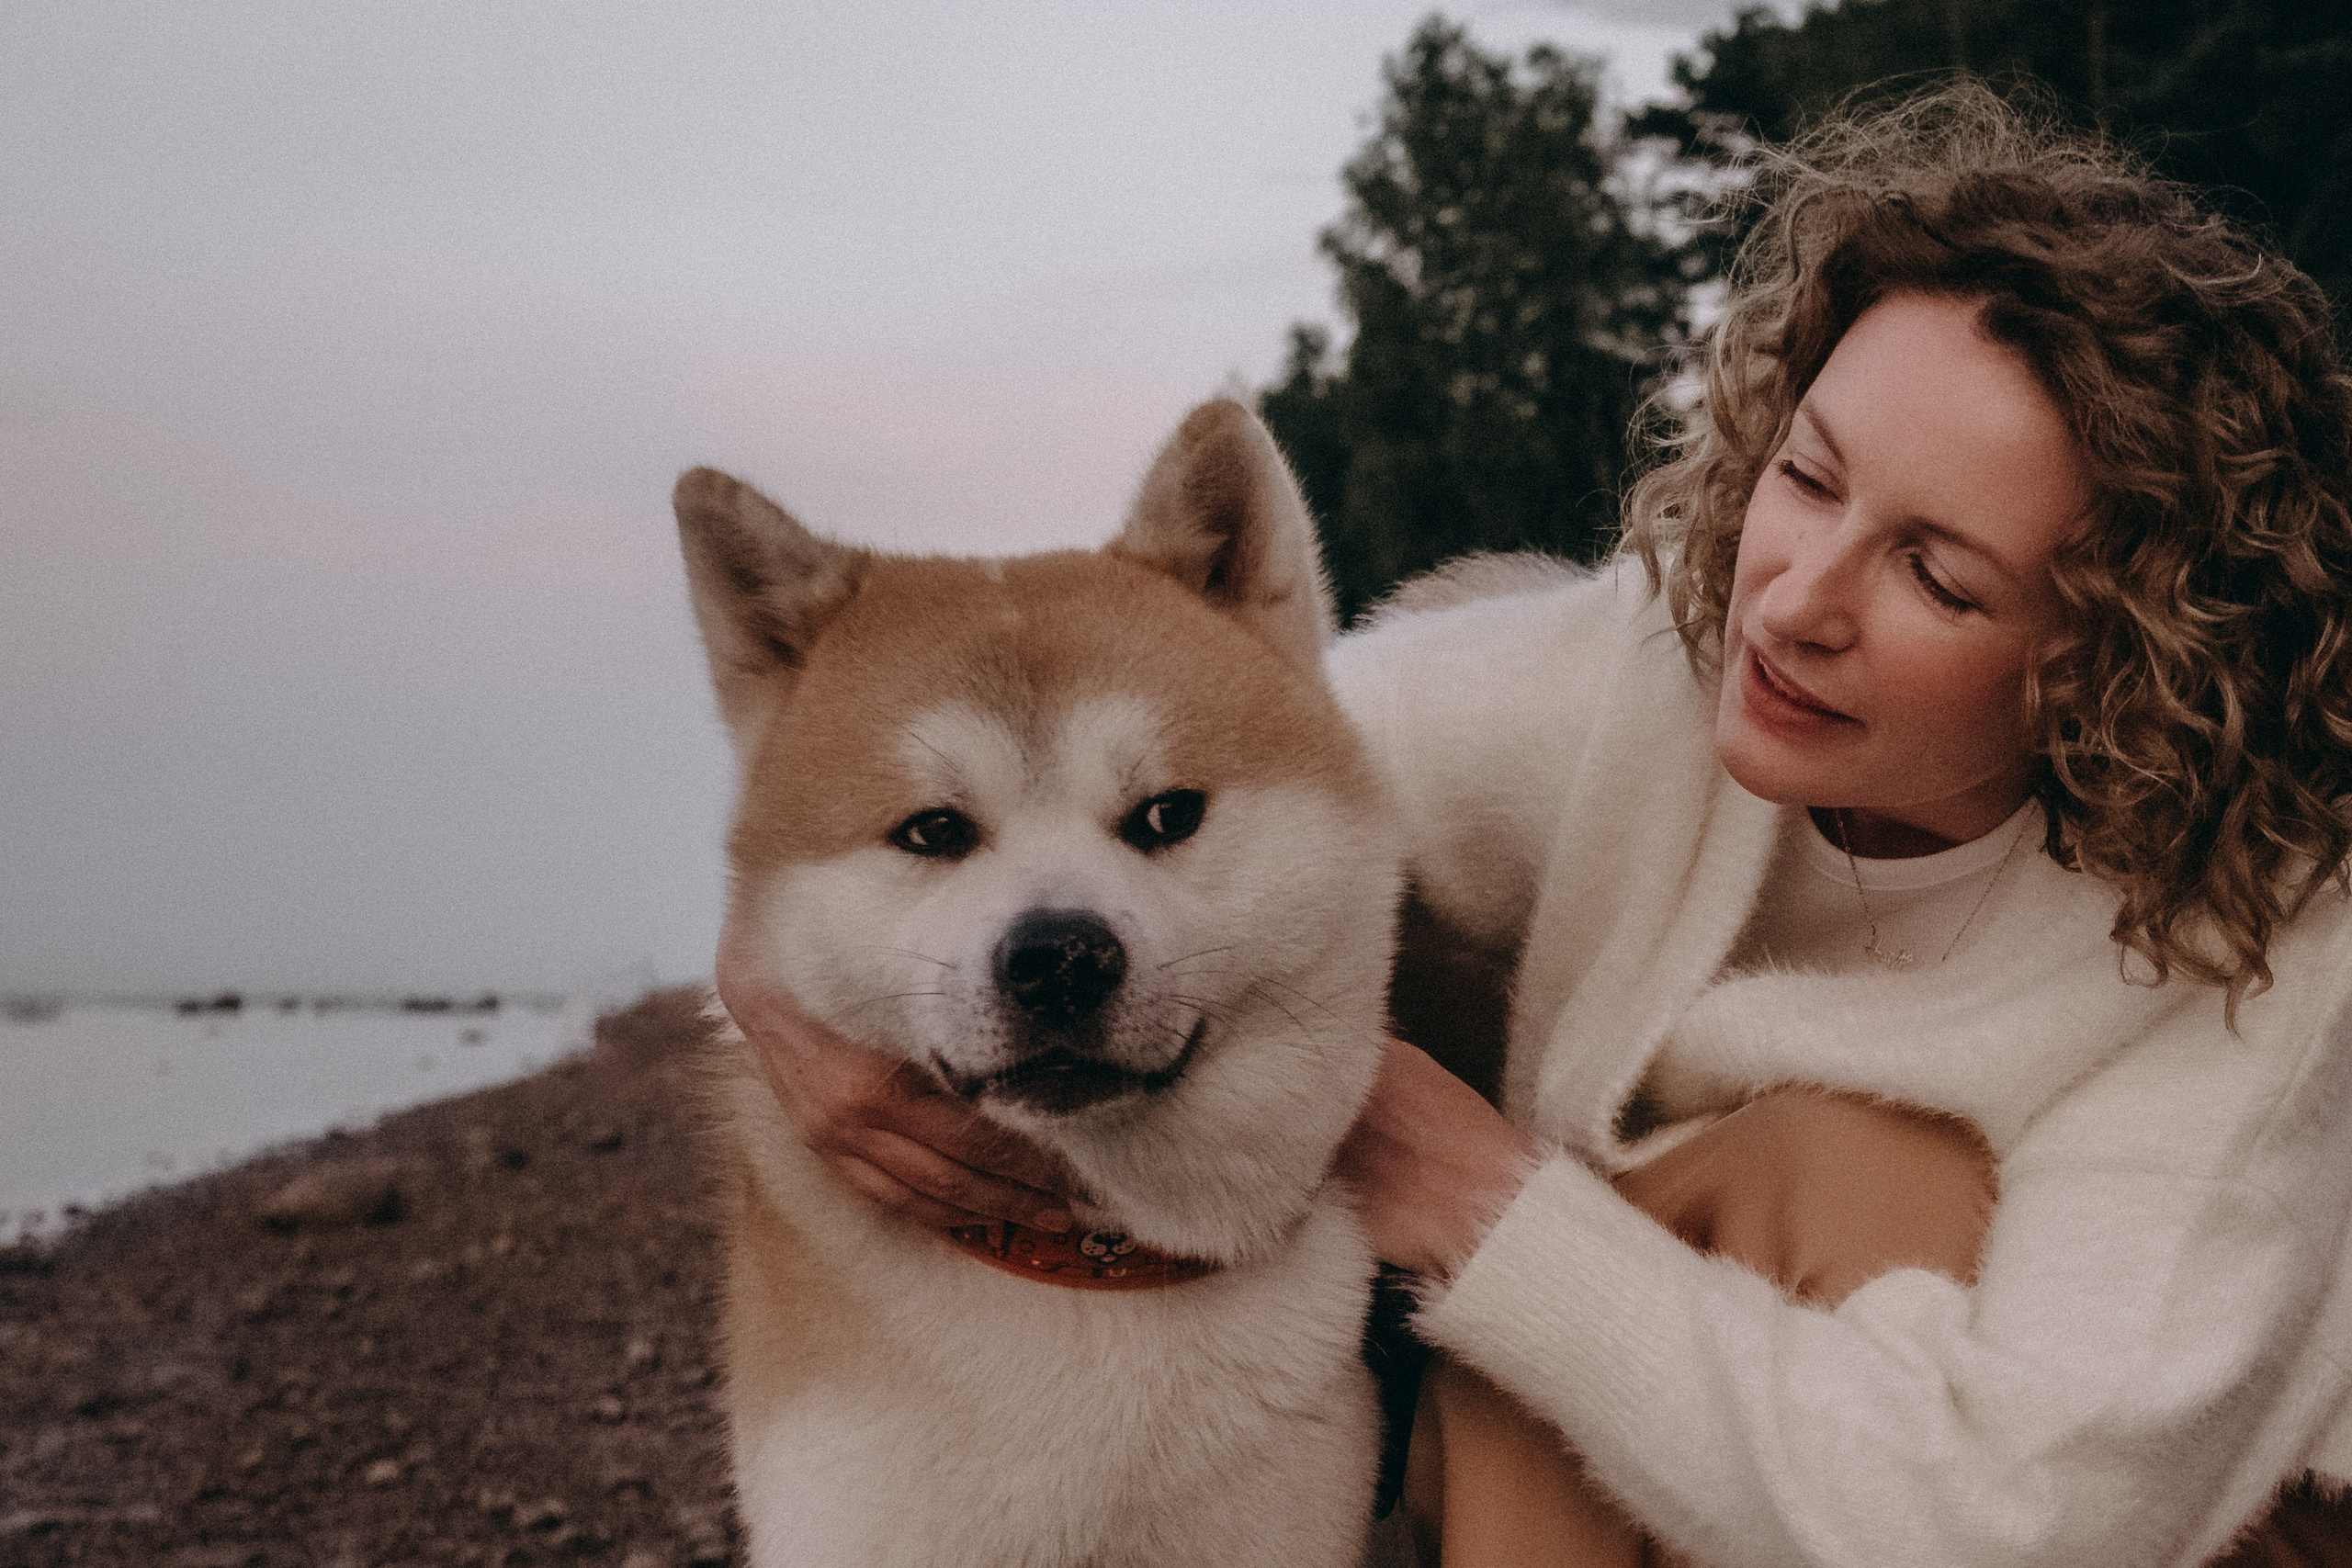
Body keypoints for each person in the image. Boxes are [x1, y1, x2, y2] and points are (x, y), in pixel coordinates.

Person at [717, 84, 2352, 1567]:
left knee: (1839, 1169)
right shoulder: (1662, 675)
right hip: (1721, 1420)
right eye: (1808, 474)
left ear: (2128, 650)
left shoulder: (2257, 958)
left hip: (2121, 1516)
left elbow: (2028, 1523)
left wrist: (1478, 1198)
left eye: (1934, 573)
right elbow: (1211, 781)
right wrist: (773, 979)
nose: (1796, 600)